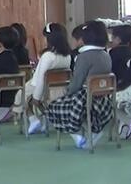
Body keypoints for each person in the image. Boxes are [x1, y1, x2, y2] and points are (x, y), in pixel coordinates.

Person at [46, 21, 113, 149]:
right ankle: (93, 131)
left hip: (84, 98)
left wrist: (67, 92)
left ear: (84, 39)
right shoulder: (106, 55)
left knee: (53, 107)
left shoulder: (84, 56)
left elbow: (77, 81)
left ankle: (77, 136)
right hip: (102, 99)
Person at [23, 23, 72, 135]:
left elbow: (41, 78)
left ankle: (33, 119)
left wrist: (36, 97)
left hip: (43, 88)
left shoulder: (47, 56)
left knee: (21, 96)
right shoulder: (67, 55)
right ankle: (44, 120)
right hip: (60, 88)